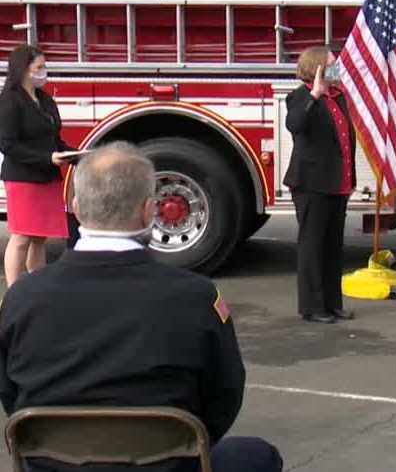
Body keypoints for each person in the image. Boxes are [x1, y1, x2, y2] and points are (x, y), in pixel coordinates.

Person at [0, 142, 282, 472]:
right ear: (150, 210)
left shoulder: (22, 297)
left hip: (54, 465)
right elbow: (223, 397)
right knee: (259, 456)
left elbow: (11, 397)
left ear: (76, 207)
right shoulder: (196, 296)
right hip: (168, 463)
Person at [284, 46, 356, 324]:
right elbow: (295, 124)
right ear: (318, 69)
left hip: (337, 184)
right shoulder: (300, 97)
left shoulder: (339, 97)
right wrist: (314, 93)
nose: (337, 68)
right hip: (312, 184)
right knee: (312, 246)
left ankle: (332, 303)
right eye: (332, 64)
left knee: (333, 246)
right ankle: (312, 307)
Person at [0, 45, 77, 285]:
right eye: (39, 68)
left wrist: (74, 154)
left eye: (45, 67)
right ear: (23, 70)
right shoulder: (10, 101)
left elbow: (54, 138)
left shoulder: (44, 99)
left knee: (39, 237)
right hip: (23, 178)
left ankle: (37, 285)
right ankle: (14, 292)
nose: (44, 72)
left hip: (47, 177)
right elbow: (7, 144)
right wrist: (46, 158)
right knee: (21, 237)